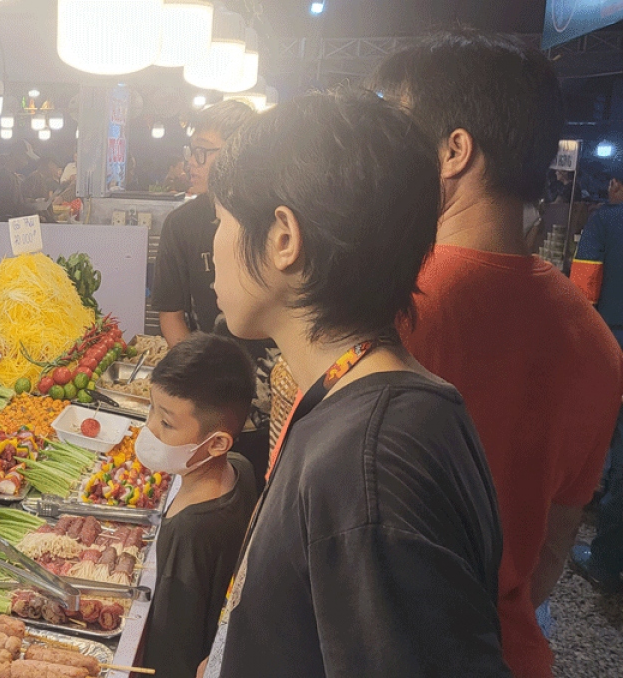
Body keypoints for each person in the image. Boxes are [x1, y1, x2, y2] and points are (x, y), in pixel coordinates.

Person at [201, 89, 509, 677]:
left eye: (221, 221)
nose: (209, 250)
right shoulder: (367, 408)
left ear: (283, 239)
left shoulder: (369, 465)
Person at [371, 31, 623, 678]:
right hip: (503, 653)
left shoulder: (381, 306)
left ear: (454, 151)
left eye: (398, 133)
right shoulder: (595, 342)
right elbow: (549, 559)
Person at [138, 333, 258, 678]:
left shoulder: (187, 531)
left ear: (217, 442)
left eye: (167, 422)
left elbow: (170, 656)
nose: (150, 428)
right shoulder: (241, 468)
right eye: (151, 409)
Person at [152, 101, 255, 348]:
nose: (191, 162)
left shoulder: (274, 217)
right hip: (209, 368)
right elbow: (170, 314)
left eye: (203, 152)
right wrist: (196, 373)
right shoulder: (181, 224)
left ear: (239, 153)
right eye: (191, 151)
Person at [569, 169, 623, 594]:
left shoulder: (605, 221)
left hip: (613, 347)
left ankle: (604, 559)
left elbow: (583, 291)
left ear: (616, 186)